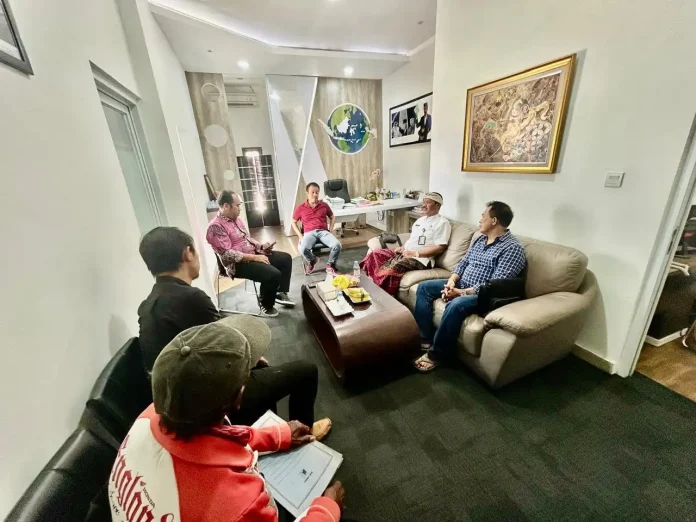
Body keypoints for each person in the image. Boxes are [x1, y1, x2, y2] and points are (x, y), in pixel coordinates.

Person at [108, 317, 346, 522]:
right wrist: (327, 508)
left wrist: (277, 435)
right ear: (239, 396)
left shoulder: (151, 415)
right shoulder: (238, 505)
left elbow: (214, 441)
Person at [138, 226, 331, 437]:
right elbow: (228, 342)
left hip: (180, 402)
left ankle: (269, 432)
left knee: (262, 368)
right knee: (306, 370)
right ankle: (303, 434)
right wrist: (251, 359)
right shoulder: (192, 299)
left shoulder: (147, 306)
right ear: (188, 253)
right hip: (211, 399)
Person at [413, 201, 526, 372]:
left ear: (494, 220)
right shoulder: (480, 239)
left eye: (483, 216)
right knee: (424, 288)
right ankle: (425, 339)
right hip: (462, 284)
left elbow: (496, 284)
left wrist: (461, 293)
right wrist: (451, 281)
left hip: (483, 295)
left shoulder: (512, 249)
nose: (480, 219)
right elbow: (463, 262)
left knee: (456, 304)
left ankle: (437, 355)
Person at [207, 190, 294, 317]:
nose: (240, 208)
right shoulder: (215, 227)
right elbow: (227, 254)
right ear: (226, 206)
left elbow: (247, 239)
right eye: (237, 205)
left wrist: (261, 247)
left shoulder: (237, 220)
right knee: (273, 274)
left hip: (253, 255)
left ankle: (279, 292)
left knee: (285, 258)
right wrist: (255, 257)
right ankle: (265, 303)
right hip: (237, 265)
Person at [360, 192, 451, 295]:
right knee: (376, 254)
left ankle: (381, 294)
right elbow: (413, 239)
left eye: (428, 203)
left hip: (421, 259)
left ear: (437, 205)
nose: (423, 205)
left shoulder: (442, 223)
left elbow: (440, 247)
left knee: (391, 268)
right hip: (405, 253)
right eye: (423, 202)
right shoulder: (420, 220)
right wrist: (403, 247)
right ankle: (367, 284)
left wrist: (415, 253)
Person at [292, 182, 342, 276]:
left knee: (337, 245)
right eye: (312, 192)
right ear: (307, 193)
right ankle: (313, 260)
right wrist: (300, 236)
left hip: (323, 232)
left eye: (317, 192)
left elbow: (332, 217)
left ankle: (330, 265)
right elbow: (293, 222)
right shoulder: (300, 208)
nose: (315, 194)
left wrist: (330, 229)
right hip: (309, 233)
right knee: (302, 248)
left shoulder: (324, 205)